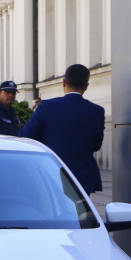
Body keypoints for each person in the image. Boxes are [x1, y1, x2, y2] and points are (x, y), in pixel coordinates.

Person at [20, 63, 106, 194]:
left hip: (51, 174)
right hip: (82, 176)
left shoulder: (47, 107)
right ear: (86, 86)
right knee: (79, 213)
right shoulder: (97, 111)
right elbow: (96, 145)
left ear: (63, 82)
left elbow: (26, 137)